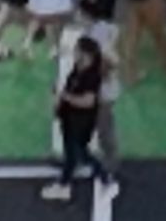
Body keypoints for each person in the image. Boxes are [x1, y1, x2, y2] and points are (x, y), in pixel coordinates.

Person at [48, 20, 119, 209]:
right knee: (73, 155)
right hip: (70, 119)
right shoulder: (78, 68)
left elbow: (88, 101)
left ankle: (104, 179)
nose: (74, 52)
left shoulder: (91, 76)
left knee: (80, 153)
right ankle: (64, 185)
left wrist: (64, 96)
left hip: (80, 122)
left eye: (77, 50)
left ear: (86, 54)